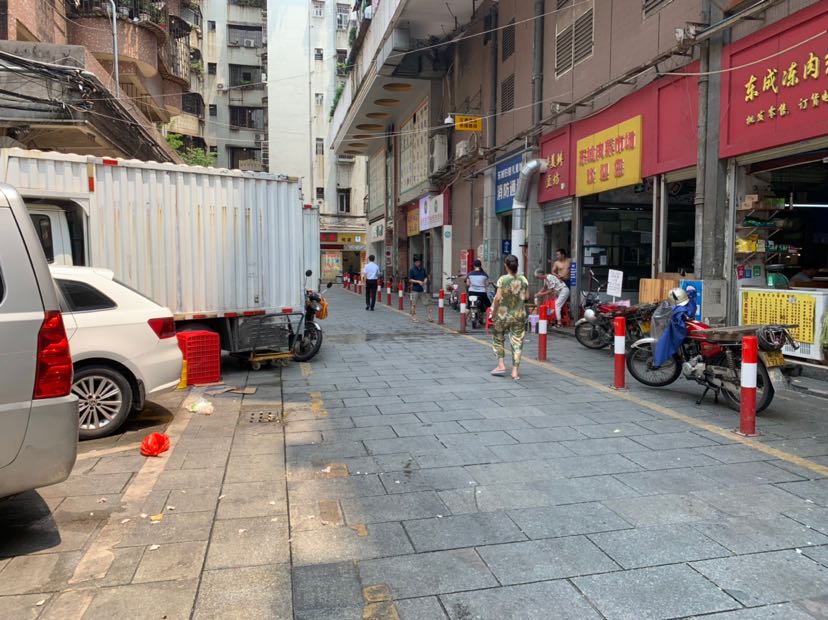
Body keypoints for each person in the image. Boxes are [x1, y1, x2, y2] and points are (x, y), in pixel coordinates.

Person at [491, 254, 529, 381]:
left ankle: (501, 365)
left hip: (503, 314)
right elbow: (527, 297)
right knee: (517, 342)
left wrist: (494, 312)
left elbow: (497, 298)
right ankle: (515, 372)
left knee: (498, 337)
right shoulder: (523, 279)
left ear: (506, 266)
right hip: (519, 315)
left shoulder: (502, 279)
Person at [408, 256, 433, 322]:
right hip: (415, 290)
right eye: (417, 262)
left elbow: (426, 277)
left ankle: (429, 317)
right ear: (414, 262)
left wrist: (425, 281)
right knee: (413, 304)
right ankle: (413, 317)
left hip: (422, 289)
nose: (418, 263)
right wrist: (418, 281)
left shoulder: (423, 269)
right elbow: (410, 279)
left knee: (427, 303)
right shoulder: (412, 270)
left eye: (419, 262)